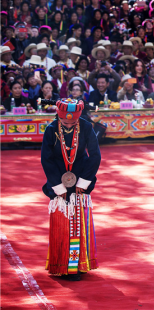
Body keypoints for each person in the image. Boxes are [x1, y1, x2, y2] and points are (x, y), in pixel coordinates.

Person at [40, 98, 101, 281]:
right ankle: (63, 265)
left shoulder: (86, 127)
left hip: (81, 177)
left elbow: (95, 155)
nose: (69, 125)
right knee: (63, 222)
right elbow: (46, 159)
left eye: (73, 122)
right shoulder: (51, 129)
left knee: (79, 221)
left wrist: (84, 182)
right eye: (65, 122)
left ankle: (80, 263)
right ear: (58, 116)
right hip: (58, 177)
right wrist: (57, 186)